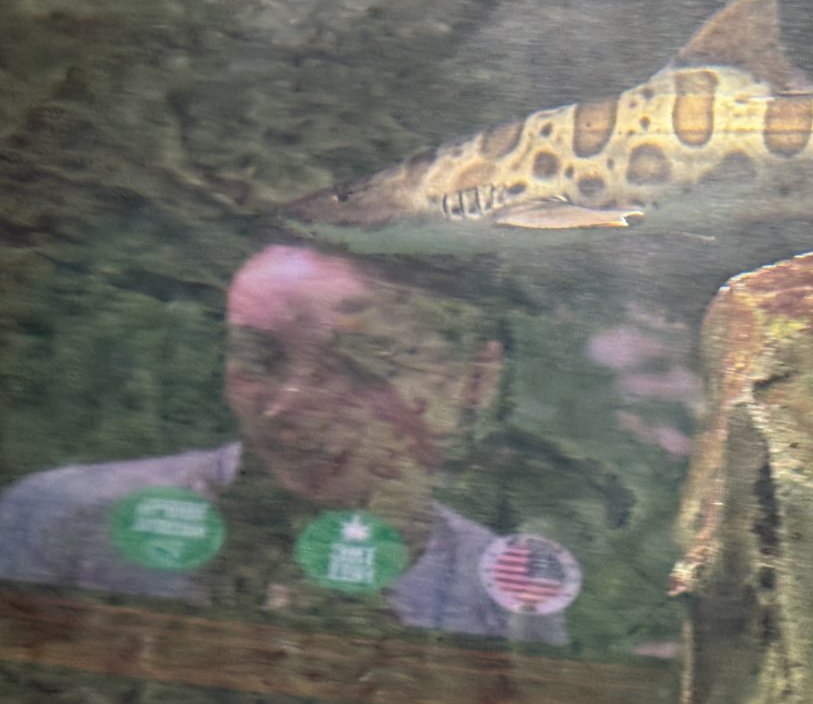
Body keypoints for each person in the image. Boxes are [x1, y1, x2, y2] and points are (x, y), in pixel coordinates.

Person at [0, 245, 568, 644]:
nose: (286, 404)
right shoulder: (65, 519)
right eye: (259, 358)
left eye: (361, 366)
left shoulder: (504, 592)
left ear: (475, 380)